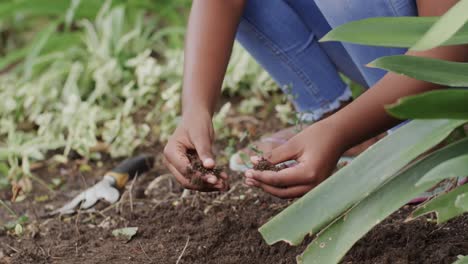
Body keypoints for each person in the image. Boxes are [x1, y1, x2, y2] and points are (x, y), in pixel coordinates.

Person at [164, 0, 468, 198]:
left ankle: (423, 139)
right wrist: (195, 109)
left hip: (449, 66)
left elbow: (452, 46)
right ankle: (344, 123)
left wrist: (339, 133)